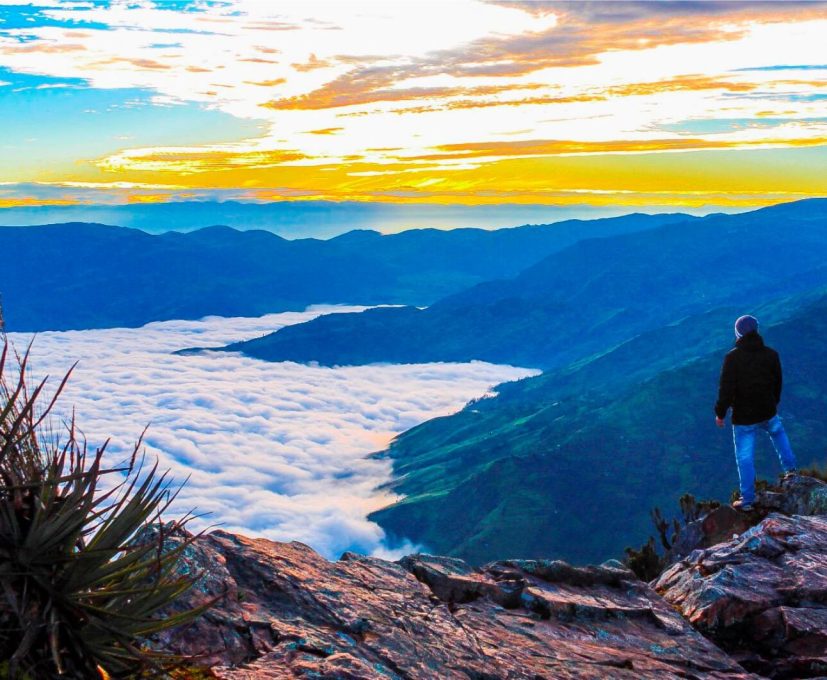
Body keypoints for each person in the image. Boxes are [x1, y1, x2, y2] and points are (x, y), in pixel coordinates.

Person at [714, 314, 797, 511]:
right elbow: (778, 383)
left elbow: (726, 390)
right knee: (779, 435)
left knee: (745, 456)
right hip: (768, 409)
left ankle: (748, 500)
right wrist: (773, 403)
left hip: (744, 416)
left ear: (738, 334)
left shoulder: (732, 358)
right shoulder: (771, 354)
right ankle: (792, 472)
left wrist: (720, 413)